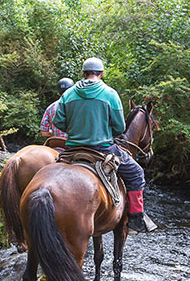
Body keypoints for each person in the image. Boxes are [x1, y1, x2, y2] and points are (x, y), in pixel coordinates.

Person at [53, 57, 152, 232]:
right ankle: (136, 219)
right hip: (103, 148)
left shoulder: (68, 94)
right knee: (137, 173)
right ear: (102, 74)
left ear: (83, 74)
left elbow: (58, 121)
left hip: (72, 149)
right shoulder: (110, 94)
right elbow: (120, 127)